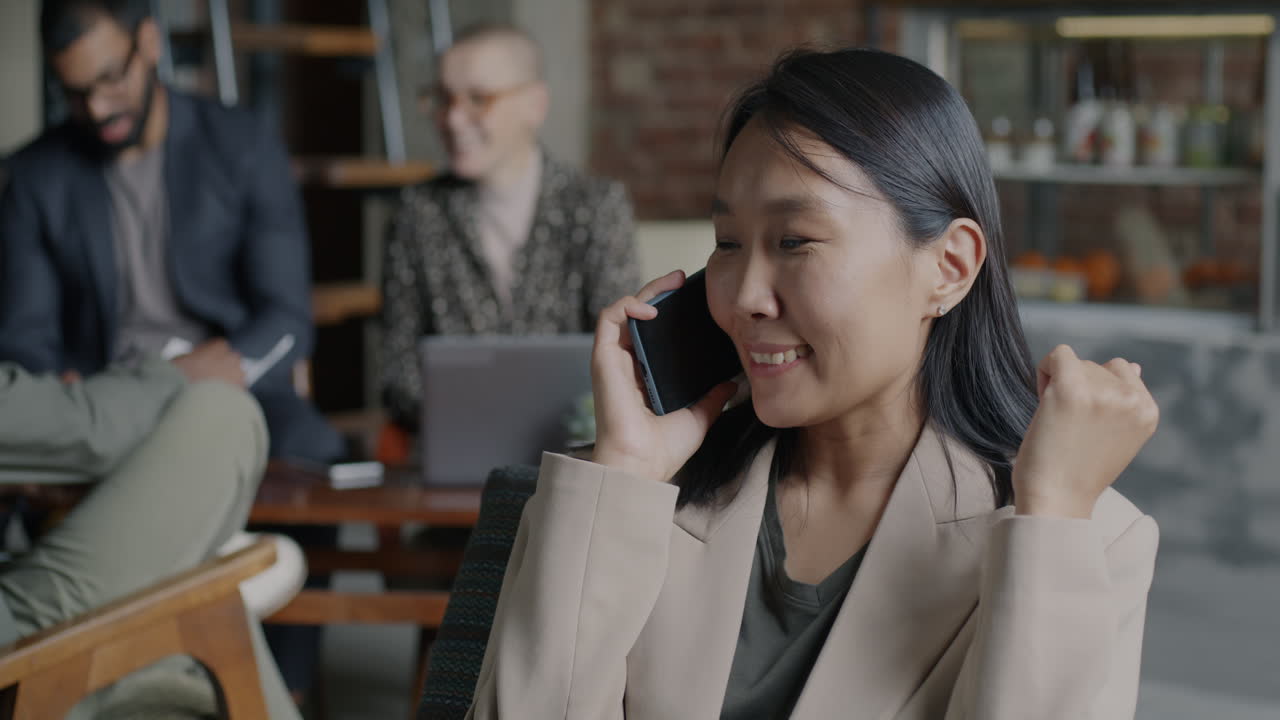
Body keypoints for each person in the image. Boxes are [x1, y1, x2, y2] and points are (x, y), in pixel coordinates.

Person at [465, 48, 1161, 719]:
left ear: (949, 266)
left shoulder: (1082, 538)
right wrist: (625, 471)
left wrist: (1052, 514)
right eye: (729, 243)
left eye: (795, 241)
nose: (744, 298)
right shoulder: (635, 499)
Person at [0, 0, 343, 464]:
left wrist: (218, 370)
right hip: (104, 401)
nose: (98, 109)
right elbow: (26, 337)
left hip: (228, 383)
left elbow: (285, 316)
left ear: (149, 42)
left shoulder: (243, 143)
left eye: (110, 79)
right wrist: (57, 385)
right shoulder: (33, 176)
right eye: (76, 93)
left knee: (313, 448)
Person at [0, 350, 300, 720]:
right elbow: (89, 429)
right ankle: (194, 549)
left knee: (200, 598)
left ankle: (185, 554)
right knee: (223, 413)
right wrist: (172, 374)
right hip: (15, 646)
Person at [381, 22, 640, 432]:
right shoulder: (417, 213)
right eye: (443, 98)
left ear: (535, 105)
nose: (452, 118)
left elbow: (623, 353)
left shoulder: (595, 206)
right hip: (455, 444)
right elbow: (399, 366)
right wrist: (456, 420)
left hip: (572, 446)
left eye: (478, 99)